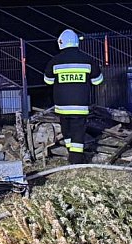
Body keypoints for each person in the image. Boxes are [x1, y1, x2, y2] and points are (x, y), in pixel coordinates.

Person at [44, 29, 103, 164]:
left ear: (61, 43)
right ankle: (76, 161)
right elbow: (98, 81)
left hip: (62, 107)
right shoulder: (88, 60)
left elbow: (48, 81)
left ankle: (72, 156)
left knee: (67, 132)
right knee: (78, 133)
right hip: (80, 106)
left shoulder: (55, 62)